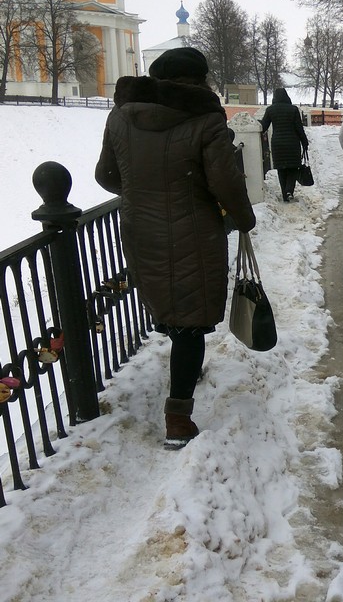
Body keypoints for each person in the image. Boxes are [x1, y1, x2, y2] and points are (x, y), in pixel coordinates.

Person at [94, 47, 256, 450]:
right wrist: (244, 218)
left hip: (140, 230)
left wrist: (144, 193)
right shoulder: (205, 118)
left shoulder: (121, 116)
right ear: (199, 79)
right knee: (190, 322)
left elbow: (106, 175)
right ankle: (178, 419)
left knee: (170, 307)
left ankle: (184, 372)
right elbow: (225, 182)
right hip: (192, 230)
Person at [260, 88, 309, 202]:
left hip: (277, 144)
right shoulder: (293, 109)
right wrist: (304, 142)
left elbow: (263, 126)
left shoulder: (270, 110)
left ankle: (284, 195)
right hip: (292, 143)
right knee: (293, 168)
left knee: (281, 169)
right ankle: (289, 191)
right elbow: (299, 128)